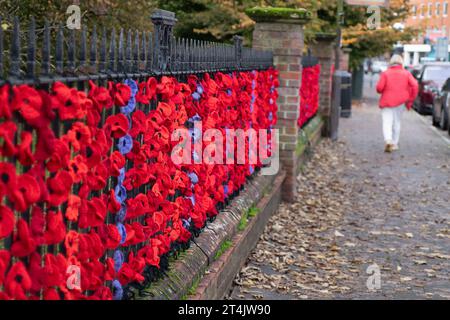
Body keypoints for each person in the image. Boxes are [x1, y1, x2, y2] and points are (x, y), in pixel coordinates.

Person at [376, 54, 418, 153]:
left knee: (387, 121)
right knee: (397, 122)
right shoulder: (406, 73)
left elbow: (379, 88)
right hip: (401, 101)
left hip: (387, 101)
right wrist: (410, 98)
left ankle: (388, 140)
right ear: (401, 62)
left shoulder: (385, 73)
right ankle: (394, 143)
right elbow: (415, 85)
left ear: (391, 62)